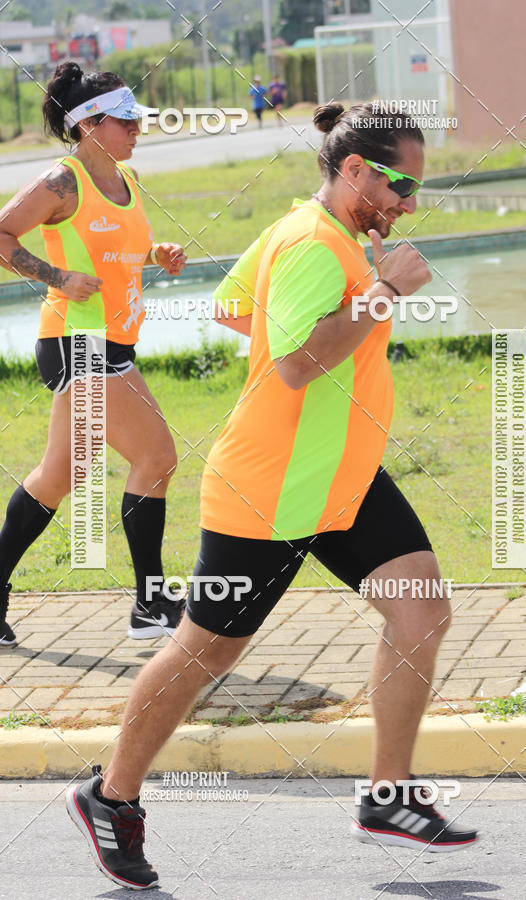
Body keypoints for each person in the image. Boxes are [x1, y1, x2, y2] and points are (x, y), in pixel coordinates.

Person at [67, 100, 477, 891]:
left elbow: (230, 306)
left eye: (415, 189)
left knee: (421, 605)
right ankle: (110, 795)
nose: (407, 203)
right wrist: (382, 290)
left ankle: (387, 795)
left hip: (344, 481)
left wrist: (352, 294)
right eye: (398, 184)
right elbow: (293, 364)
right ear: (353, 169)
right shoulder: (315, 246)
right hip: (270, 490)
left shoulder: (311, 231)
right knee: (206, 652)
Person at [0, 62, 188, 646]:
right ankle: (151, 605)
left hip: (109, 343)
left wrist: (154, 254)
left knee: (59, 476)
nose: (138, 128)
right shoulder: (63, 181)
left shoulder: (127, 183)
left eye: (137, 118)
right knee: (156, 457)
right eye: (126, 120)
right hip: (78, 344)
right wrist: (55, 275)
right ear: (89, 126)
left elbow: (115, 253)